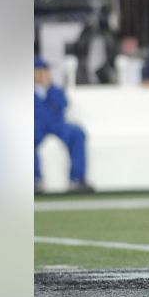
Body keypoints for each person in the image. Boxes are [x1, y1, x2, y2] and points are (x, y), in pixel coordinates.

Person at [34, 56, 93, 194]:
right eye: (39, 71)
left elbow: (64, 104)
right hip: (36, 125)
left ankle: (77, 179)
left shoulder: (54, 90)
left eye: (45, 70)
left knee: (77, 133)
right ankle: (34, 180)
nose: (43, 74)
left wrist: (48, 88)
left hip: (56, 124)